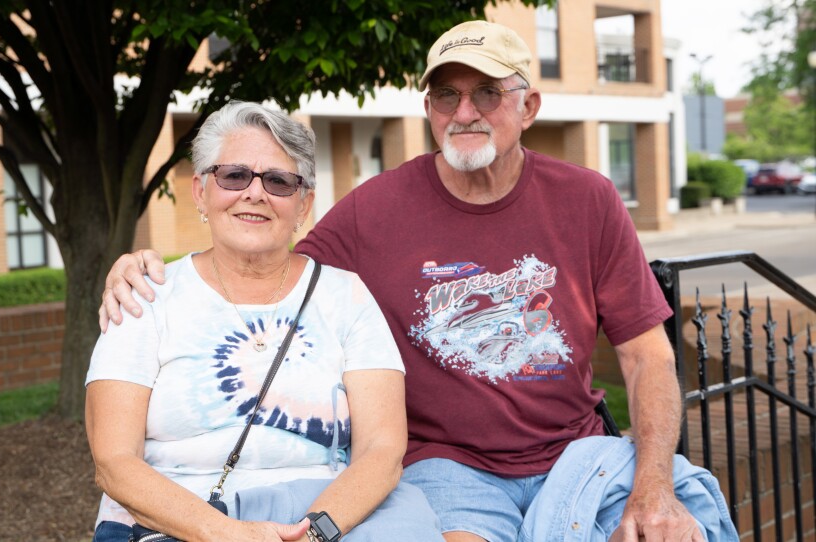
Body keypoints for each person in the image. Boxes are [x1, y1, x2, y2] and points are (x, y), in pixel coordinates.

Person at [100, 21, 734, 542]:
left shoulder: (588, 199)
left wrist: (653, 489)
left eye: (487, 92)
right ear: (427, 107)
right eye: (445, 96)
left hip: (577, 452)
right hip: (447, 470)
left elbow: (647, 355)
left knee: (684, 527)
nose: (465, 112)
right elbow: (263, 252)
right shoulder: (375, 209)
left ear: (528, 106)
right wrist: (143, 266)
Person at [86, 101, 443, 542]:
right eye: (234, 175)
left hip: (327, 516)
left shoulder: (346, 296)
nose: (254, 193)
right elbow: (114, 462)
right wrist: (225, 534)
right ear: (201, 191)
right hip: (179, 518)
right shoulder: (145, 296)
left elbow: (382, 449)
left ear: (304, 204)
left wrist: (313, 534)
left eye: (278, 181)